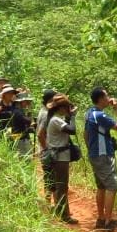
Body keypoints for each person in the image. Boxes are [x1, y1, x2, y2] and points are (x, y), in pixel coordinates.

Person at [85, 86, 117, 231]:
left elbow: (85, 135)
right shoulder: (100, 116)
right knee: (112, 186)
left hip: (95, 154)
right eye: (107, 96)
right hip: (103, 155)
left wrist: (91, 150)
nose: (109, 98)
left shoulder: (89, 113)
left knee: (101, 186)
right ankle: (108, 222)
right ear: (101, 99)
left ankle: (101, 219)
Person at [45, 93, 79, 224]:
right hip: (60, 157)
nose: (68, 109)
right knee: (62, 187)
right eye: (66, 107)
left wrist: (69, 116)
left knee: (59, 186)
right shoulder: (56, 120)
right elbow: (72, 130)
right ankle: (64, 216)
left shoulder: (55, 118)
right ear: (61, 108)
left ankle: (61, 212)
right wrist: (73, 117)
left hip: (59, 156)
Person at [35, 88, 57, 203]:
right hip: (47, 150)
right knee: (50, 178)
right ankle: (49, 203)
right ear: (50, 100)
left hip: (45, 149)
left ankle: (50, 203)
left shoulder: (43, 111)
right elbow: (40, 134)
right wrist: (46, 149)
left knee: (49, 177)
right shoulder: (45, 113)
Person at [11, 91, 36, 157]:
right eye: (26, 101)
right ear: (20, 102)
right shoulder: (17, 112)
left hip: (22, 137)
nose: (28, 103)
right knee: (25, 158)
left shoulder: (20, 111)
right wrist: (30, 110)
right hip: (20, 138)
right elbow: (28, 121)